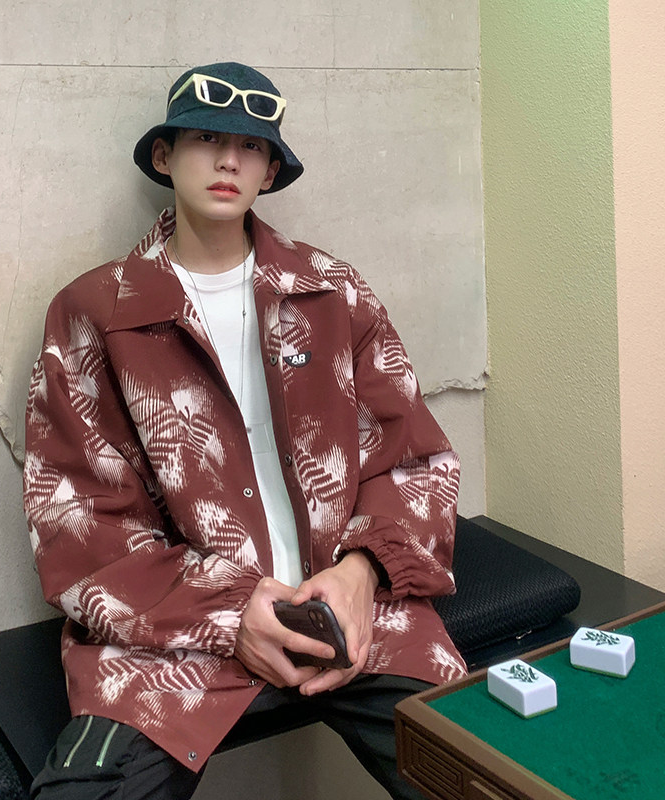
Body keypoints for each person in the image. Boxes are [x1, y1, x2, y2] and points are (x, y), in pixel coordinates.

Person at [24, 61, 467, 800]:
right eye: (206, 138)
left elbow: (413, 463)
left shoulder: (333, 293)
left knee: (488, 770)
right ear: (164, 155)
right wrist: (232, 612)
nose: (229, 160)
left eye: (252, 146)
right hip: (176, 638)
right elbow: (79, 523)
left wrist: (361, 574)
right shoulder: (95, 311)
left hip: (356, 615)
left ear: (270, 171)